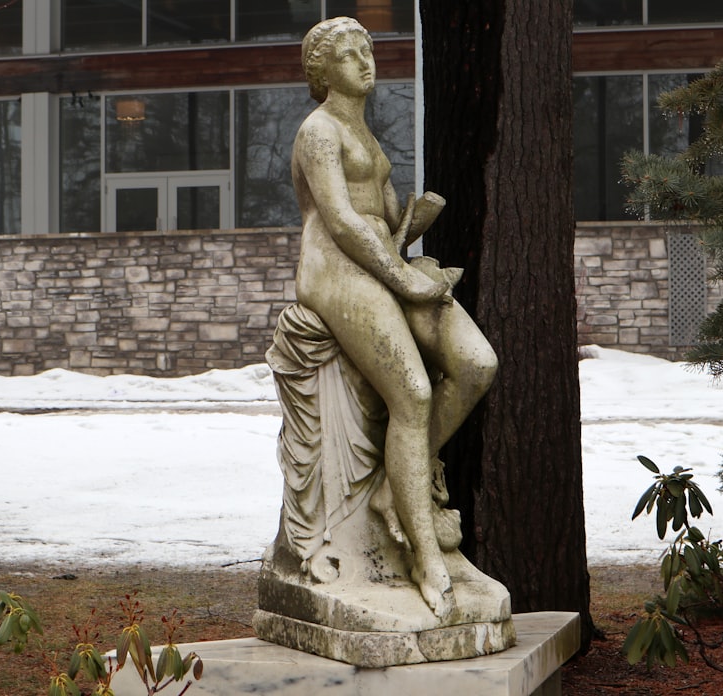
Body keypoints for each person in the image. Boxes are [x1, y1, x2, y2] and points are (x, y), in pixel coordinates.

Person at [291, 16, 497, 619]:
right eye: (348, 54)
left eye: (367, 49)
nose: (364, 60)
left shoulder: (369, 135)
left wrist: (411, 236)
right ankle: (426, 556)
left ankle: (390, 490)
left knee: (477, 364)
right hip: (337, 270)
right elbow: (343, 221)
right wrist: (401, 274)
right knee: (412, 392)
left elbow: (378, 221)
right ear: (322, 71)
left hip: (384, 263)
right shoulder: (319, 131)